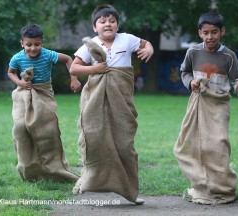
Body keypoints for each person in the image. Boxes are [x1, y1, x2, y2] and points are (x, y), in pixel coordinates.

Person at [70, 4, 154, 205]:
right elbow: (74, 68)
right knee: (95, 138)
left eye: (112, 20)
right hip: (97, 100)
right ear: (95, 27)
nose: (108, 24)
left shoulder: (127, 39)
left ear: (117, 24)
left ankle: (130, 191)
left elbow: (145, 43)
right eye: (103, 21)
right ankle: (86, 179)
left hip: (122, 100)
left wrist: (149, 48)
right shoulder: (90, 45)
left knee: (125, 144)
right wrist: (95, 69)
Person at [174, 12, 238, 205]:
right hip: (197, 102)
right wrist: (190, 83)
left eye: (214, 32)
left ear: (222, 32)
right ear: (200, 33)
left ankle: (222, 188)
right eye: (205, 32)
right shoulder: (193, 52)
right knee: (193, 144)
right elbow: (185, 72)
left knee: (218, 144)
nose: (210, 37)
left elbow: (237, 79)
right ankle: (201, 186)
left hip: (219, 105)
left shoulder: (228, 56)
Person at [7, 24, 81, 182]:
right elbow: (10, 72)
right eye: (29, 45)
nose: (33, 48)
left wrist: (74, 79)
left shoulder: (48, 55)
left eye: (37, 44)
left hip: (44, 93)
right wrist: (20, 83)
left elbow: (68, 59)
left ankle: (55, 169)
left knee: (48, 131)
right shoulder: (17, 57)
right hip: (23, 93)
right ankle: (29, 171)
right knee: (21, 128)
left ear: (42, 43)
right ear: (22, 43)